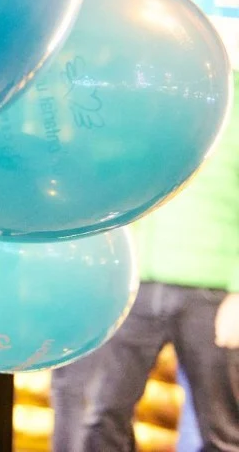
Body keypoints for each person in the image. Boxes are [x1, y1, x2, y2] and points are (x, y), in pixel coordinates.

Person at [53, 72, 239, 451]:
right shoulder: (142, 83)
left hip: (216, 290)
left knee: (224, 433)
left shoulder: (231, 90)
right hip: (129, 283)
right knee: (97, 419)